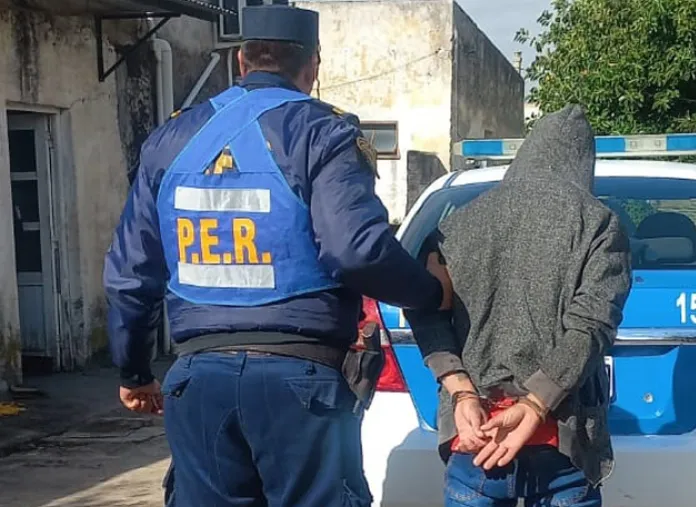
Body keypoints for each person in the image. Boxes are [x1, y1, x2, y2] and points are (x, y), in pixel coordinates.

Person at [103, 4, 451, 506]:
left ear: (240, 62)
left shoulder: (171, 139)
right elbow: (355, 251)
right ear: (312, 66)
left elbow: (130, 274)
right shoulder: (324, 132)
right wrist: (431, 293)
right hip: (301, 382)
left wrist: (134, 371)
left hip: (198, 381)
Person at [408, 105, 632, 506]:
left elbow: (425, 308)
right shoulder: (599, 224)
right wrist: (535, 403)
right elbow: (591, 325)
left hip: (475, 437)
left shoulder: (456, 225)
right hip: (561, 444)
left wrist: (461, 392)